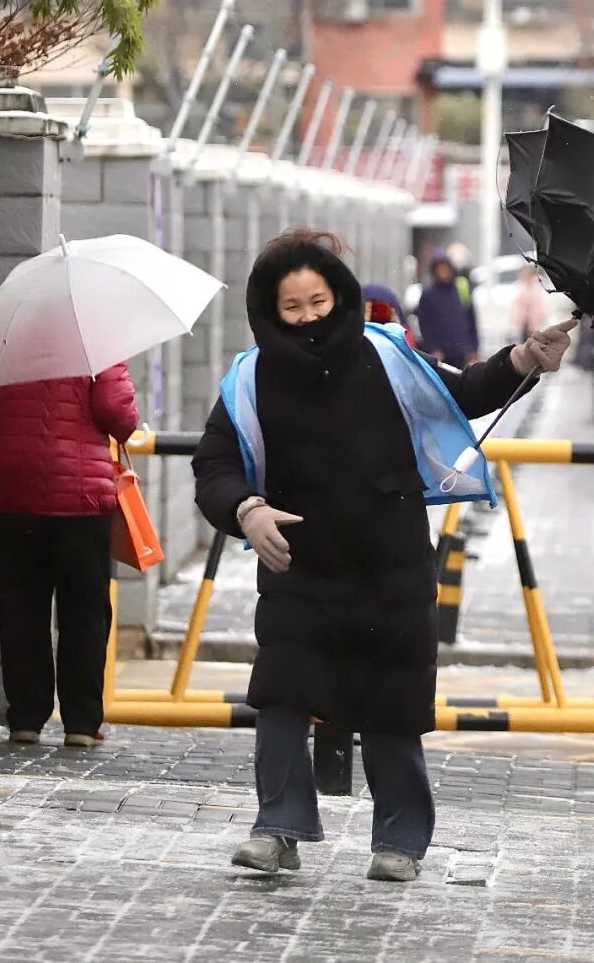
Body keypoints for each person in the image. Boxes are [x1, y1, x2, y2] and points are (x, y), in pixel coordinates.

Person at [191, 228, 573, 881]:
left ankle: (400, 840)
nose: (309, 315)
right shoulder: (249, 380)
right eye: (292, 306)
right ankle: (277, 828)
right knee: (280, 699)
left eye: (318, 299)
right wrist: (246, 511)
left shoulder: (387, 355)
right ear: (269, 310)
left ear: (339, 295)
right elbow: (214, 465)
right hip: (297, 570)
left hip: (390, 569)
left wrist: (524, 358)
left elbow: (464, 393)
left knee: (393, 706)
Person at [0, 364, 139, 747]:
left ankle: (25, 719)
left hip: (10, 491)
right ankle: (81, 723)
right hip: (81, 498)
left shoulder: (3, 336)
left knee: (20, 607)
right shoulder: (94, 342)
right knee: (85, 611)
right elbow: (116, 414)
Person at [416, 251, 479, 367]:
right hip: (441, 355)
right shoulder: (428, 294)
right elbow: (424, 324)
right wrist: (432, 348)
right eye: (440, 268)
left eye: (445, 267)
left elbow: (471, 319)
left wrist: (473, 348)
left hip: (462, 353)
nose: (443, 271)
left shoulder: (461, 288)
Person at [511, 263, 549, 343]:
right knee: (523, 341)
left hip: (534, 321)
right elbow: (516, 304)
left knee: (533, 341)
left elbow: (539, 305)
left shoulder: (537, 287)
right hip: (523, 321)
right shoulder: (520, 286)